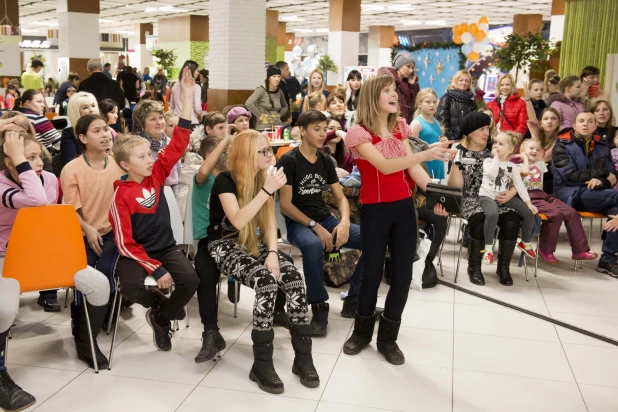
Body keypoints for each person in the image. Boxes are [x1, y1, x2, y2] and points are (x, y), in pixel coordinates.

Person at [341, 75, 451, 364]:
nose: (394, 95)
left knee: (402, 277)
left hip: (404, 209)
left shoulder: (400, 127)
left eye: (394, 90)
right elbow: (386, 167)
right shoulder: (357, 133)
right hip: (375, 211)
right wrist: (424, 153)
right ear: (372, 97)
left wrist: (440, 197)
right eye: (387, 91)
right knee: (371, 275)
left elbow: (415, 174)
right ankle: (361, 333)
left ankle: (388, 339)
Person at [207, 128, 318, 394]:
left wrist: (271, 253)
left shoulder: (262, 178)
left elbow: (269, 222)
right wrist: (267, 190)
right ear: (248, 154)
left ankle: (303, 358)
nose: (271, 155)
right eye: (264, 151)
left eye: (270, 149)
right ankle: (262, 363)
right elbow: (238, 220)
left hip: (253, 244)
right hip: (224, 245)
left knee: (293, 278)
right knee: (267, 282)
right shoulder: (225, 180)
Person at [110, 66, 200, 352]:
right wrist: (155, 268)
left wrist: (185, 95)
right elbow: (125, 244)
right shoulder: (120, 196)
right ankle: (161, 305)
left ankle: (160, 318)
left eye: (149, 154)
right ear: (126, 165)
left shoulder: (157, 172)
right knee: (131, 287)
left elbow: (180, 140)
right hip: (136, 254)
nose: (150, 158)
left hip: (164, 247)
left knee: (190, 280)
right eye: (142, 156)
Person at [278, 110, 363, 332]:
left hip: (326, 219)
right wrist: (315, 227)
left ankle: (354, 298)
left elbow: (340, 197)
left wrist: (344, 222)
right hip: (298, 223)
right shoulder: (289, 160)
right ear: (302, 131)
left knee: (373, 238)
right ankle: (318, 306)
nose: (322, 134)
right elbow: (285, 205)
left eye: (325, 129)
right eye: (317, 129)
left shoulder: (326, 159)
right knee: (314, 244)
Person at [60, 114, 123, 369]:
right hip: (80, 234)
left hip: (110, 234)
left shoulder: (118, 165)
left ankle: (90, 329)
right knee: (85, 279)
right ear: (83, 139)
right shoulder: (72, 169)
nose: (105, 134)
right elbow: (70, 211)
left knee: (106, 277)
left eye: (106, 129)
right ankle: (84, 337)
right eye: (97, 131)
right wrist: (87, 229)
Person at [0, 130, 52, 412]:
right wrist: (19, 157)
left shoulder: (49, 180)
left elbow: (47, 210)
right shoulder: (1, 185)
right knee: (3, 310)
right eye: (29, 158)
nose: (38, 164)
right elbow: (37, 201)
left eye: (38, 157)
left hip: (32, 253)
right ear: (11, 163)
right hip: (3, 256)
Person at [448, 111, 525, 286]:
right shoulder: (459, 151)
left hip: (497, 197)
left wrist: (512, 192)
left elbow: (516, 174)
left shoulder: (495, 148)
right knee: (480, 218)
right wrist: (455, 164)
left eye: (487, 128)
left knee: (512, 219)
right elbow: (456, 187)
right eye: (481, 129)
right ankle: (474, 267)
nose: (486, 133)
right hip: (470, 199)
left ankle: (503, 267)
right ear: (469, 131)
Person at [553, 111, 618, 277]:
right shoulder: (562, 145)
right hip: (571, 193)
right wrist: (601, 174)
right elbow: (569, 176)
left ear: (595, 126)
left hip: (598, 192)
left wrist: (600, 181)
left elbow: (613, 177)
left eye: (590, 121)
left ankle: (607, 261)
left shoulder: (602, 146)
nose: (585, 124)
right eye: (581, 121)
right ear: (574, 125)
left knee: (616, 213)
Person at [518, 139, 596, 264]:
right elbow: (524, 172)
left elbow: (542, 152)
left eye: (537, 150)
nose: (535, 151)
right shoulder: (517, 166)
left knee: (571, 212)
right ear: (522, 151)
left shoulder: (540, 164)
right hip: (528, 198)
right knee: (555, 214)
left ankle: (580, 250)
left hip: (542, 195)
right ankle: (545, 250)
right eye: (531, 148)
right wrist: (524, 159)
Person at [478, 131, 537, 265]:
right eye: (495, 143)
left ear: (510, 149)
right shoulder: (488, 161)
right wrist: (496, 158)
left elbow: (520, 186)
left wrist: (528, 203)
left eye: (500, 144)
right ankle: (488, 249)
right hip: (487, 197)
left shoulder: (513, 167)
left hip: (505, 198)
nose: (495, 146)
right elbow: (492, 174)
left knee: (528, 213)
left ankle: (525, 243)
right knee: (492, 214)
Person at [132, 99, 181, 197]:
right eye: (153, 119)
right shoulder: (136, 146)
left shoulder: (169, 141)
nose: (159, 122)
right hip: (146, 194)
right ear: (142, 124)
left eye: (161, 117)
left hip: (171, 192)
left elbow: (178, 170)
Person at [411, 88, 446, 180]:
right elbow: (412, 151)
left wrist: (443, 140)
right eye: (428, 102)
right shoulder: (416, 124)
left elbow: (437, 139)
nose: (432, 105)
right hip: (425, 168)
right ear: (419, 104)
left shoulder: (436, 122)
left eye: (434, 102)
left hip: (438, 165)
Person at [376, 52, 420, 124]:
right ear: (399, 66)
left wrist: (413, 85)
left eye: (412, 67)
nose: (411, 71)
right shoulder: (388, 82)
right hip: (390, 123)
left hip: (406, 124)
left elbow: (416, 104)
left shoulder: (409, 83)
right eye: (408, 66)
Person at [436, 69, 477, 142]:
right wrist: (452, 137)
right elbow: (441, 120)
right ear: (455, 81)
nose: (464, 83)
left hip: (467, 141)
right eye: (461, 80)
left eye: (467, 81)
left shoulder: (472, 103)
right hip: (449, 141)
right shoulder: (446, 98)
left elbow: (474, 122)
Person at [486, 73, 528, 144]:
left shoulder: (521, 103)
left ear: (512, 86)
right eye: (501, 85)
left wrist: (512, 140)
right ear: (498, 87)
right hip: (493, 142)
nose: (504, 87)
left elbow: (523, 125)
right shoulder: (490, 105)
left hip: (511, 143)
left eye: (507, 85)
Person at [60, 92, 99, 166]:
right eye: (85, 107)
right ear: (76, 111)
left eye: (93, 106)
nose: (91, 110)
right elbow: (70, 163)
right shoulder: (69, 133)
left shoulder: (105, 130)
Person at [246, 65, 289, 131]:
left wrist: (279, 115)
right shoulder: (261, 90)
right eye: (274, 76)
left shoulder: (279, 91)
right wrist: (258, 115)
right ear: (269, 78)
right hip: (263, 128)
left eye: (278, 76)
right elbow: (248, 103)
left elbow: (285, 106)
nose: (277, 79)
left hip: (277, 126)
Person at [19, 89, 61, 156]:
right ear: (28, 103)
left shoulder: (16, 115)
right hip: (43, 158)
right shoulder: (38, 118)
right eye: (39, 102)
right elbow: (59, 143)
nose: (43, 105)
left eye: (43, 102)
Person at [169, 60, 203, 128]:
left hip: (177, 121)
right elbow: (197, 108)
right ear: (192, 71)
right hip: (192, 121)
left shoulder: (175, 85)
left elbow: (172, 106)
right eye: (197, 70)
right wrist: (200, 115)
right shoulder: (196, 87)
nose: (198, 73)